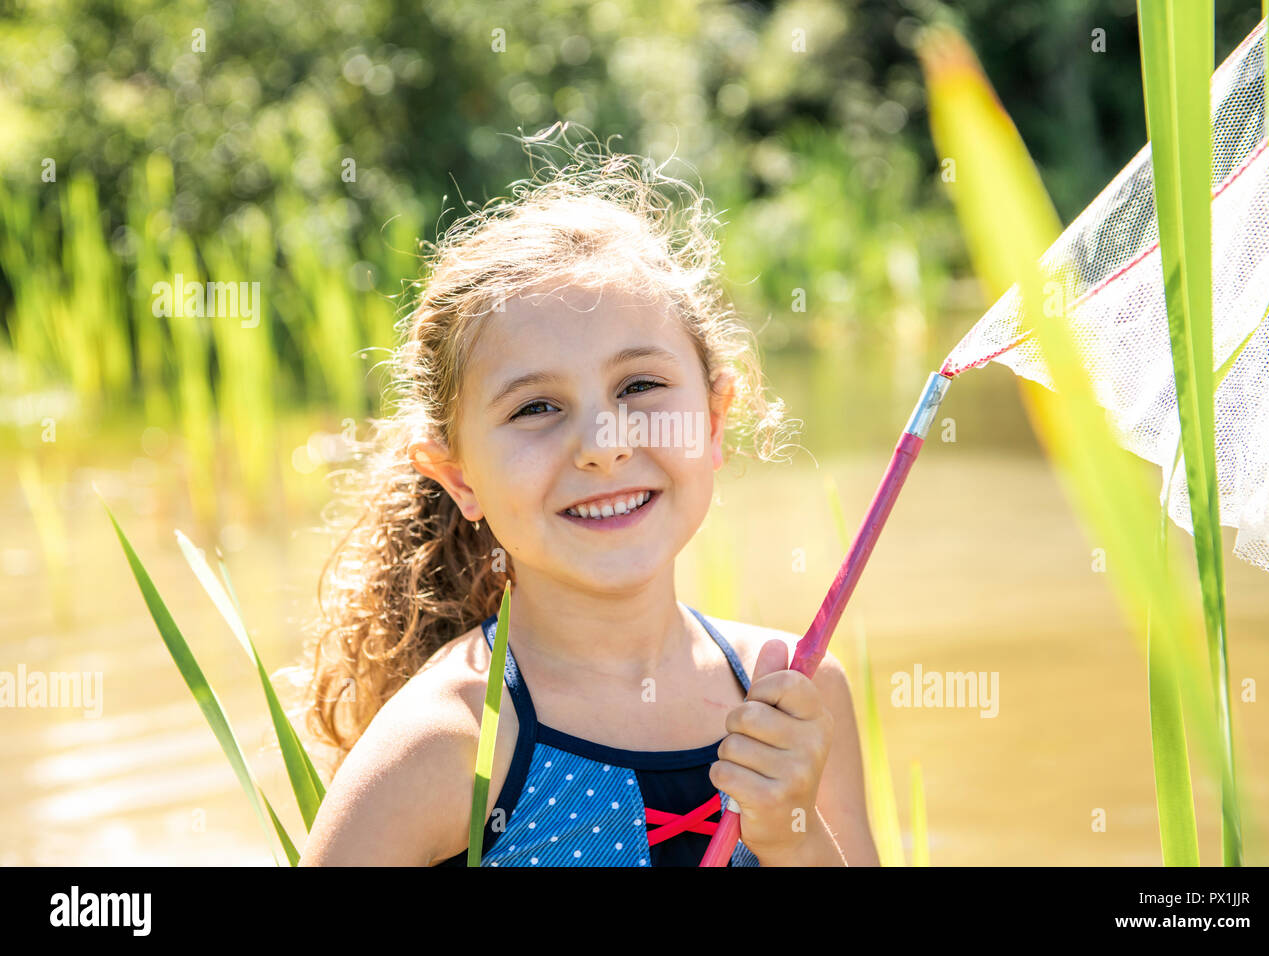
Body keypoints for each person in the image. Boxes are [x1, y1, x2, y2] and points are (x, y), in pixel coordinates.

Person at [298, 126, 878, 867]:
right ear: (460, 476)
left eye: (639, 385)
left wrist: (793, 832)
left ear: (713, 420)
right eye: (535, 408)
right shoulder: (448, 745)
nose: (603, 442)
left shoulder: (794, 696)